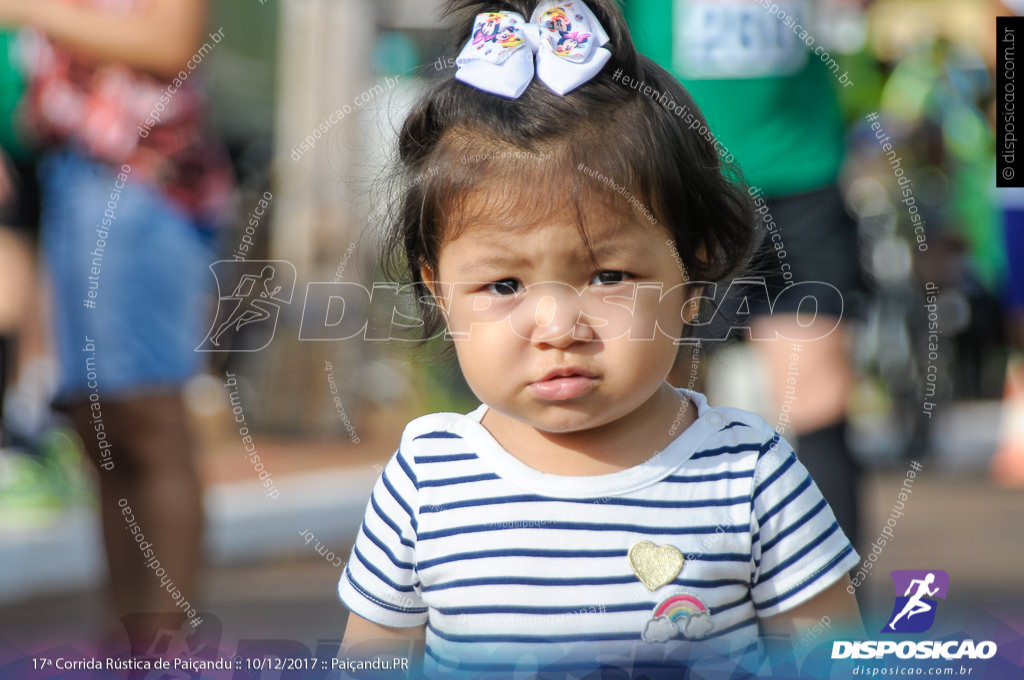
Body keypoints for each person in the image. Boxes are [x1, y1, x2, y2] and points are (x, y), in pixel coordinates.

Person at [337, 1, 863, 677]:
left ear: (694, 271)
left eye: (609, 275)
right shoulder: (426, 482)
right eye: (503, 286)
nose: (558, 328)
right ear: (438, 290)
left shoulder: (749, 474)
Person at [0, 0, 233, 649]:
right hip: (72, 174)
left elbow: (172, 41)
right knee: (95, 422)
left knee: (148, 416)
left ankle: (167, 646)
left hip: (146, 183)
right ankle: (129, 639)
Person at [623, 0, 870, 550]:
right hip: (678, 175)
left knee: (819, 394)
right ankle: (654, 591)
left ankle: (833, 614)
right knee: (653, 394)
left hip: (798, 173)